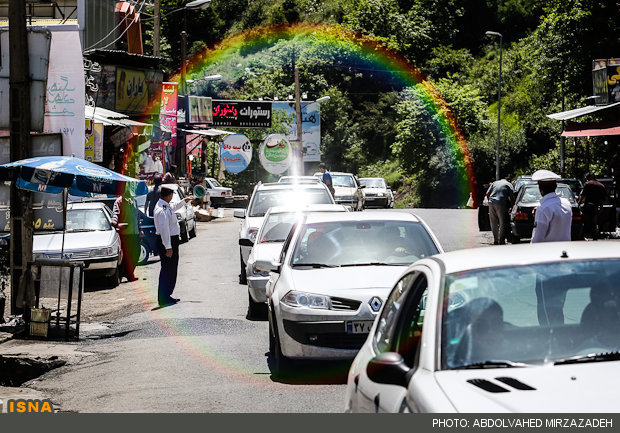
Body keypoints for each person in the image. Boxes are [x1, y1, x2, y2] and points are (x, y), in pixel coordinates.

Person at [154, 186, 193, 306]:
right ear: (169, 195)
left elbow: (174, 207)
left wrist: (184, 201)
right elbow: (164, 230)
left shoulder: (165, 205)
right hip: (167, 241)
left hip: (171, 240)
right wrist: (168, 247)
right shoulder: (161, 210)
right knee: (167, 269)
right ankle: (163, 297)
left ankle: (167, 295)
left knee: (171, 269)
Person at [530, 170, 572, 243]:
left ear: (540, 189)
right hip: (565, 250)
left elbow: (537, 239)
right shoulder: (567, 204)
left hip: (549, 252)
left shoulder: (542, 208)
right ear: (556, 186)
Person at [111, 188, 143, 282]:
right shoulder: (119, 201)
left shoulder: (133, 201)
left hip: (135, 233)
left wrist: (140, 229)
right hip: (125, 233)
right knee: (125, 257)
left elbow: (137, 216)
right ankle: (128, 275)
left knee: (136, 253)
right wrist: (114, 221)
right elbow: (115, 213)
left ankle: (129, 273)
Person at [485, 178, 514, 245]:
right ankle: (501, 240)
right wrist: (512, 206)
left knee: (493, 222)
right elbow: (512, 197)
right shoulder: (509, 184)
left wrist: (490, 201)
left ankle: (495, 240)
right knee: (502, 222)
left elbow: (487, 193)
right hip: (501, 203)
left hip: (491, 202)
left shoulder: (495, 183)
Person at [578, 172, 606, 240]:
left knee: (585, 221)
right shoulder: (601, 185)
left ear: (588, 178)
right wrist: (601, 207)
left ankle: (583, 235)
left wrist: (578, 203)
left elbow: (582, 195)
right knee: (594, 221)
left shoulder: (587, 184)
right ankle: (595, 235)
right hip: (596, 207)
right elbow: (603, 199)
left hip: (588, 206)